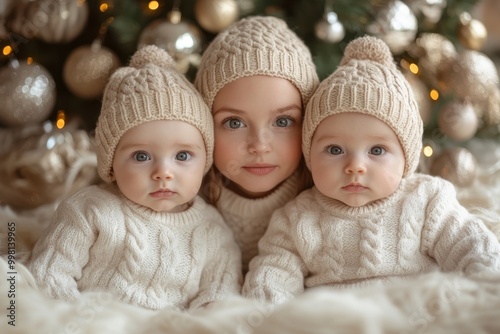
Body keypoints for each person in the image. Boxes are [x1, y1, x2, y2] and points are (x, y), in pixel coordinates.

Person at [242, 35, 500, 304]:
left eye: (376, 151)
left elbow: (470, 246)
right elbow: (272, 276)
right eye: (334, 150)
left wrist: (486, 291)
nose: (355, 166)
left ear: (406, 158)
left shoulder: (426, 200)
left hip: (417, 312)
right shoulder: (296, 219)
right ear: (309, 155)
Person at [27, 45, 242, 311]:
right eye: (141, 156)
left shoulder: (213, 231)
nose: (164, 172)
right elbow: (49, 274)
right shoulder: (89, 210)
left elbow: (220, 298)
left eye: (183, 156)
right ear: (111, 165)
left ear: (205, 161)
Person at [194, 16, 319, 273]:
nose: (259, 146)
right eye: (234, 123)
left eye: (283, 121)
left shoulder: (333, 196)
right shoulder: (177, 196)